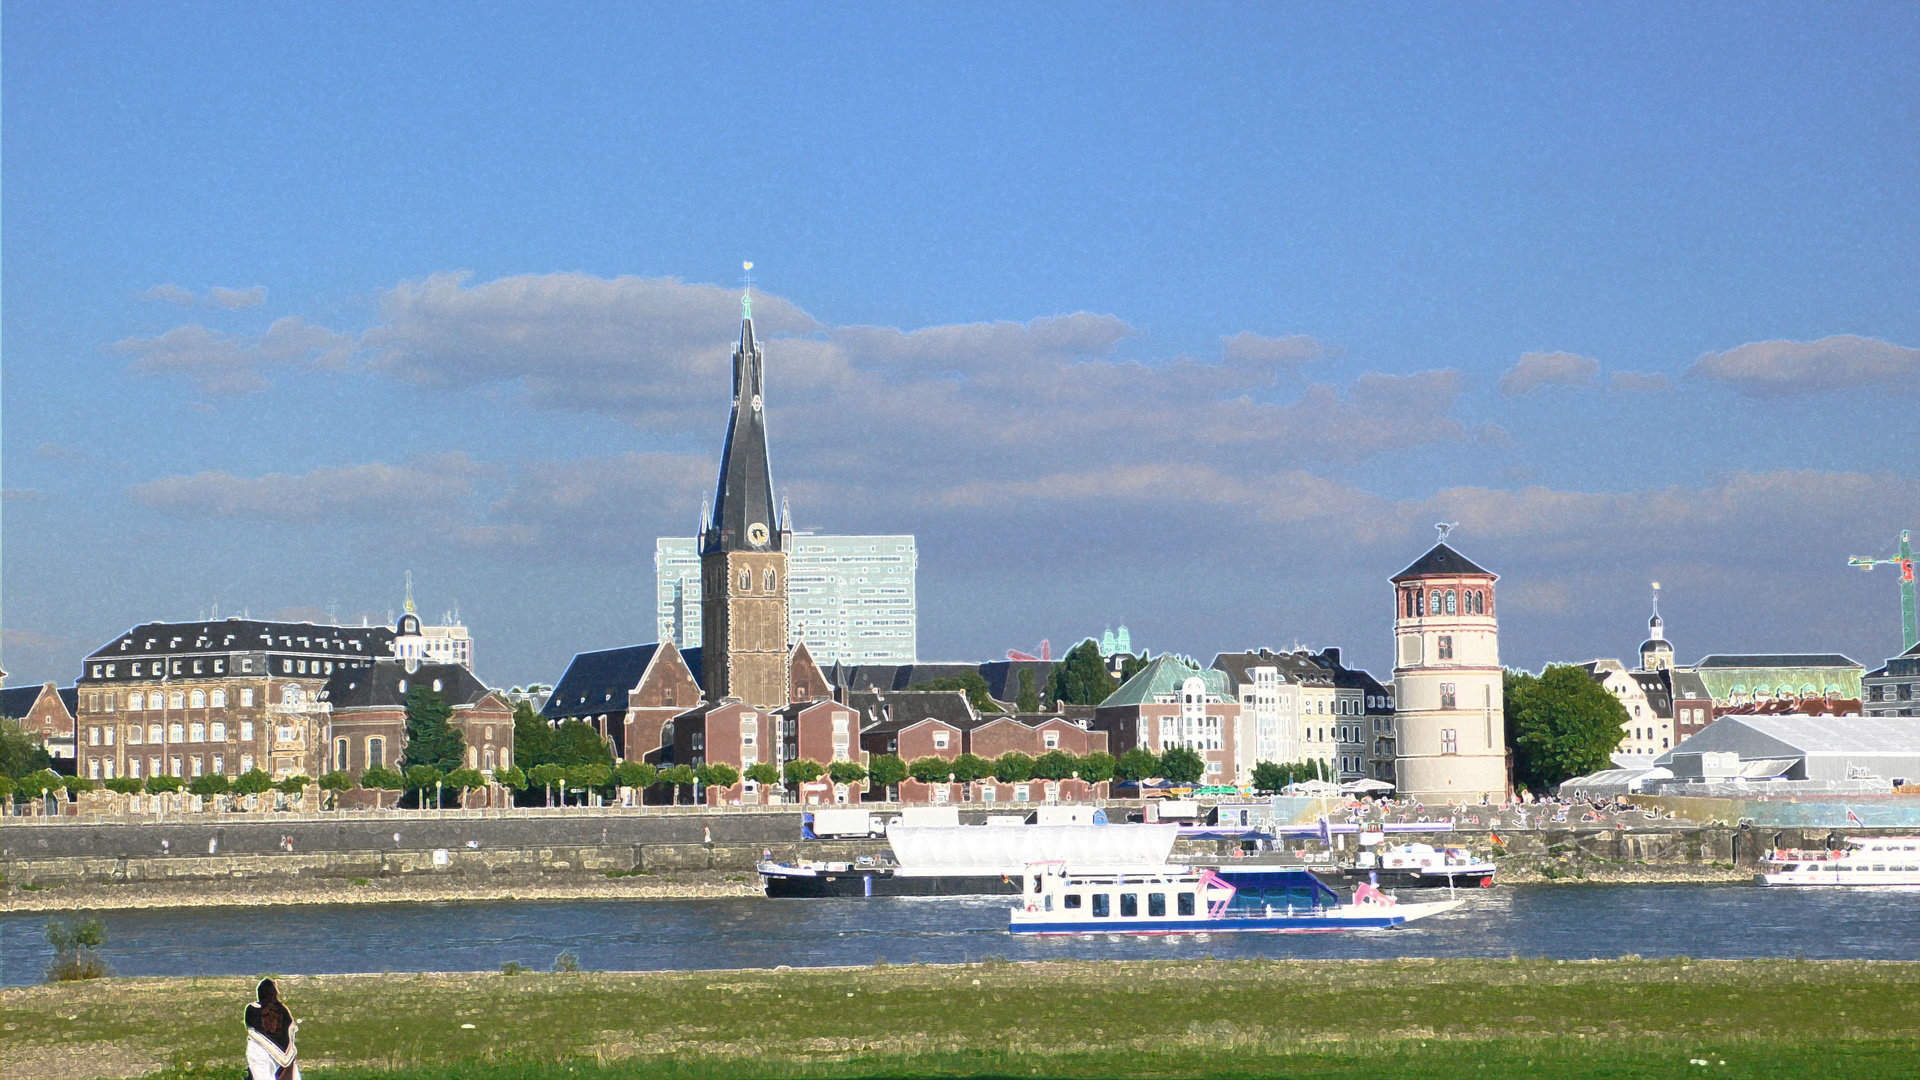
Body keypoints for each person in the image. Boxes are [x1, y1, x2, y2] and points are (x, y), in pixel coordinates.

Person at [245, 978, 299, 1080]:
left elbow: (251, 1030)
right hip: (284, 1055)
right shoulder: (283, 1010)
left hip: (259, 1052)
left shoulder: (251, 1009)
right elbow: (290, 1030)